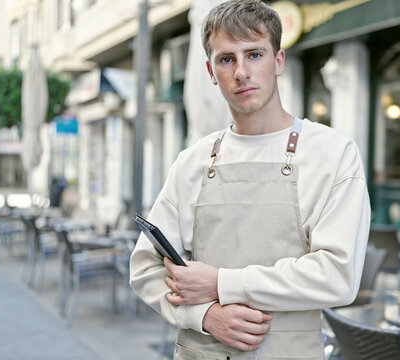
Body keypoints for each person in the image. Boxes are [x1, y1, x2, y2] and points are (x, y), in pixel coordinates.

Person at [129, 0, 371, 358]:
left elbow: (337, 275)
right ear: (211, 72)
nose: (242, 71)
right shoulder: (191, 162)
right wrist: (205, 314)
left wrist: (220, 283)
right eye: (227, 59)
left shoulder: (333, 154)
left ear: (278, 62)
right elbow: (145, 266)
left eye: (254, 54)